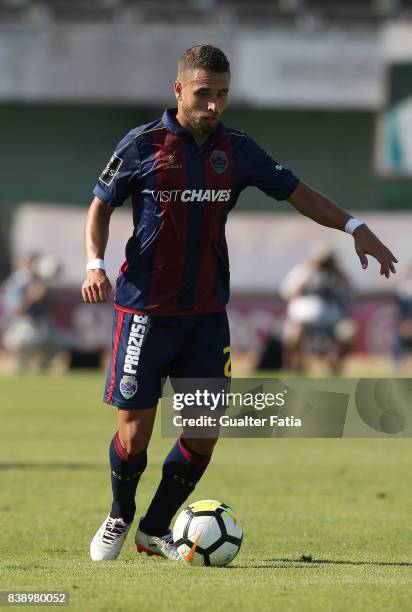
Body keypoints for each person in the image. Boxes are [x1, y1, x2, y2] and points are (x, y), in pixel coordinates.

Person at [81, 44, 397, 562]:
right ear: (179, 90)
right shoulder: (142, 144)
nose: (213, 105)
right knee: (133, 435)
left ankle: (153, 530)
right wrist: (94, 263)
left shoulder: (238, 150)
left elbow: (298, 192)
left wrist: (354, 227)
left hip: (205, 316)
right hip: (143, 313)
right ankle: (120, 515)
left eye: (222, 95)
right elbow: (100, 206)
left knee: (204, 434)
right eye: (203, 93)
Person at [280, 245, 356, 372]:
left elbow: (351, 294)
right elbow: (288, 293)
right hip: (303, 320)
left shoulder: (337, 275)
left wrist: (338, 273)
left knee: (349, 332)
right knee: (293, 333)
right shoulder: (302, 271)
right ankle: (298, 365)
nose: (324, 264)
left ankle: (334, 364)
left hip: (332, 321)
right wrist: (309, 273)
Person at [1, 254, 60, 372]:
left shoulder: (40, 282)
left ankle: (43, 370)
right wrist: (31, 297)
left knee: (57, 342)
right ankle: (21, 368)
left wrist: (45, 295)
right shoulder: (16, 283)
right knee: (19, 343)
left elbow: (53, 311)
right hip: (21, 325)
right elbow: (14, 311)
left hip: (41, 325)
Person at [393, 261, 412, 369]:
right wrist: (405, 324)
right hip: (405, 324)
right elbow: (399, 311)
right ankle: (398, 365)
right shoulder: (403, 288)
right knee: (397, 337)